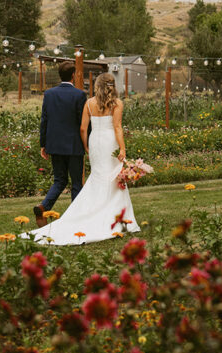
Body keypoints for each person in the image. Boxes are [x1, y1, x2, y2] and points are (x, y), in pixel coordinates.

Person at [23, 72, 140, 245]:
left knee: (98, 176)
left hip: (95, 143)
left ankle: (90, 212)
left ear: (97, 85)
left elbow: (83, 129)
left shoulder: (89, 103)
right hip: (110, 142)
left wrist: (86, 145)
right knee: (113, 177)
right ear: (112, 86)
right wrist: (122, 148)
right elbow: (117, 127)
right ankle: (115, 217)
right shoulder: (117, 103)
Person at [33, 61, 87, 227]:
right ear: (73, 75)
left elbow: (44, 120)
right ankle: (75, 217)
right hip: (73, 145)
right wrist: (87, 143)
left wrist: (44, 144)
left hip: (54, 144)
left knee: (59, 181)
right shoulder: (79, 95)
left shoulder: (49, 94)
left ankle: (44, 206)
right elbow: (83, 122)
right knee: (77, 182)